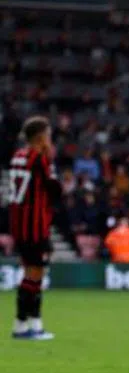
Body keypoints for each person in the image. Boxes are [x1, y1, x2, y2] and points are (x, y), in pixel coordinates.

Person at [8, 116, 60, 340]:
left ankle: (31, 323)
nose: (50, 139)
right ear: (40, 137)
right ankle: (24, 324)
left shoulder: (18, 156)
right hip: (35, 226)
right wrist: (51, 160)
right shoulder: (39, 158)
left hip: (19, 224)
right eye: (48, 135)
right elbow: (55, 191)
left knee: (32, 273)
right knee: (35, 273)